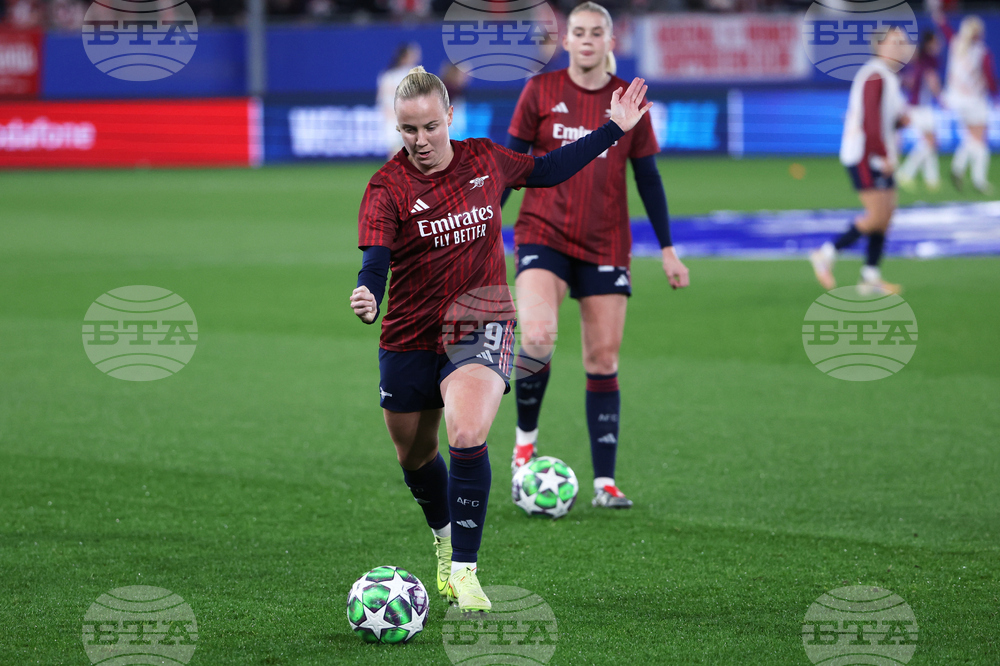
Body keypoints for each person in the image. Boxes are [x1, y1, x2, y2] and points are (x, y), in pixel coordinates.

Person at [350, 66, 652, 612]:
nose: (419, 141)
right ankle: (443, 543)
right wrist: (368, 292)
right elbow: (375, 261)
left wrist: (612, 130)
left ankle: (465, 571)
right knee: (413, 454)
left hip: (481, 321)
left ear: (449, 118)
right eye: (407, 131)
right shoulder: (386, 187)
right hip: (409, 333)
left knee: (466, 434)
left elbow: (547, 168)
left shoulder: (484, 159)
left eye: (429, 127)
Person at [502, 2, 688, 509]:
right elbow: (510, 166)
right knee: (537, 336)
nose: (586, 39)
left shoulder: (628, 101)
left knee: (602, 359)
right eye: (578, 32)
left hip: (606, 242)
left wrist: (668, 249)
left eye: (596, 32)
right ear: (566, 42)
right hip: (542, 233)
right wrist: (482, 227)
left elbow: (647, 176)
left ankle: (605, 483)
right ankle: (524, 444)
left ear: (611, 40)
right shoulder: (540, 91)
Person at [811, 26, 910, 296]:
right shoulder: (875, 75)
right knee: (878, 215)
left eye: (902, 42)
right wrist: (883, 155)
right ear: (879, 45)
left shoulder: (887, 77)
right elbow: (871, 123)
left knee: (886, 214)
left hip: (878, 153)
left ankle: (870, 276)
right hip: (867, 155)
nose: (900, 46)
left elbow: (890, 119)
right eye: (894, 41)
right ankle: (826, 254)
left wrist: (903, 121)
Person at [935, 11, 997, 194]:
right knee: (980, 140)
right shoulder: (982, 52)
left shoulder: (955, 43)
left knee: (971, 138)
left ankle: (958, 168)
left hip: (955, 99)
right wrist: (995, 96)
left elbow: (943, 26)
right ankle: (978, 179)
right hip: (974, 100)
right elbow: (990, 78)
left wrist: (938, 11)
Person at [897, 30, 943, 192]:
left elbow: (909, 80)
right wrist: (940, 97)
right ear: (930, 43)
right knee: (929, 142)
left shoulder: (919, 60)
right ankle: (906, 173)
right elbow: (932, 81)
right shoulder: (928, 60)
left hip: (918, 105)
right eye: (936, 42)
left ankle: (932, 178)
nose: (939, 45)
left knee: (930, 142)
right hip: (920, 107)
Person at [376, 43, 422, 161]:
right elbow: (383, 100)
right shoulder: (389, 76)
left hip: (412, 119)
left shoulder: (417, 75)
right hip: (393, 118)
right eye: (412, 55)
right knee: (395, 150)